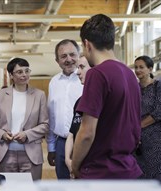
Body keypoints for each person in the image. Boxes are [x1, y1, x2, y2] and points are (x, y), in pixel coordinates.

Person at [71, 14, 142, 179]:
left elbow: (87, 132)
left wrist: (75, 166)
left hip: (101, 171)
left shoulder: (97, 74)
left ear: (87, 44)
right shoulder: (129, 74)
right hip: (128, 168)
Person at [0, 57, 49, 181]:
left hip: (31, 154)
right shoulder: (1, 95)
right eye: (19, 72)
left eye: (27, 71)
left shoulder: (39, 95)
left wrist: (27, 134)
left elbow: (45, 124)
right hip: (6, 154)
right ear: (11, 75)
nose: (24, 75)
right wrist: (2, 134)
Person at [47, 39, 83, 179]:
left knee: (84, 187)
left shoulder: (88, 78)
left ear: (79, 55)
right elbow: (51, 115)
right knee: (63, 186)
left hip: (84, 142)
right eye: (63, 56)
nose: (69, 59)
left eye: (72, 54)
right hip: (61, 143)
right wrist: (51, 147)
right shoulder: (54, 82)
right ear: (57, 60)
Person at [134, 55, 161, 185]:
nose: (138, 70)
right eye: (136, 67)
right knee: (141, 177)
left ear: (150, 69)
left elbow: (160, 111)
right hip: (138, 142)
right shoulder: (134, 89)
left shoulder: (159, 86)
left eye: (141, 67)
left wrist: (138, 126)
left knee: (160, 177)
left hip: (158, 140)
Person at [65, 55, 91, 175]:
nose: (77, 72)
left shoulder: (103, 101)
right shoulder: (80, 101)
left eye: (82, 67)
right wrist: (68, 159)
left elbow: (87, 135)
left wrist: (75, 163)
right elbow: (72, 133)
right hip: (77, 161)